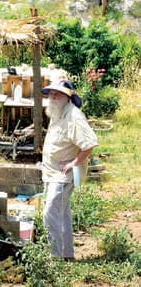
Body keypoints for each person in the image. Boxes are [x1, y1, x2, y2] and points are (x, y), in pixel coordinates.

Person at [41, 79, 98, 260]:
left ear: (68, 97)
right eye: (51, 93)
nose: (53, 96)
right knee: (61, 212)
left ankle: (55, 257)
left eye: (57, 93)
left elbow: (89, 145)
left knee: (50, 211)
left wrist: (74, 162)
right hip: (52, 172)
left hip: (63, 174)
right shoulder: (57, 112)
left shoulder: (74, 116)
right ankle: (67, 254)